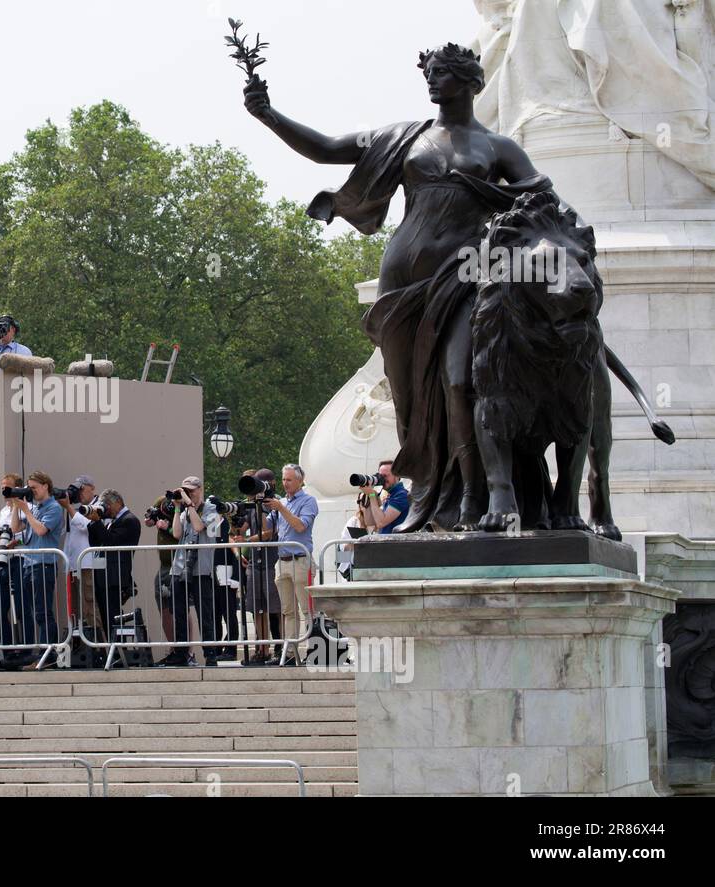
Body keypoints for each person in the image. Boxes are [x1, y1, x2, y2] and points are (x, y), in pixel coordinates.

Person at [244, 45, 555, 532]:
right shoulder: (404, 137)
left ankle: (474, 495)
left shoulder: (497, 148)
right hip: (400, 284)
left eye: (443, 75)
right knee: (408, 397)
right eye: (429, 74)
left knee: (459, 381)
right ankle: (428, 496)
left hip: (463, 277)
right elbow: (327, 148)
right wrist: (269, 116)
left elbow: (543, 198)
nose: (432, 82)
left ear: (471, 83)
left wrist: (495, 198)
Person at [263, 464, 320, 665]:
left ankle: (315, 652)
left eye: (289, 480)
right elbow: (266, 528)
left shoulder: (309, 501)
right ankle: (290, 655)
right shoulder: (281, 502)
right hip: (283, 562)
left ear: (300, 481)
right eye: (284, 479)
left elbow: (300, 525)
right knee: (288, 612)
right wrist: (259, 506)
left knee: (308, 610)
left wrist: (281, 508)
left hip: (301, 561)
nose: (285, 484)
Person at [165, 477, 223, 667]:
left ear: (200, 489)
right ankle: (181, 653)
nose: (189, 494)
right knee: (179, 613)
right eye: (186, 491)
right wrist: (176, 507)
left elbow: (199, 527)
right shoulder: (184, 510)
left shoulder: (212, 510)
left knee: (204, 614)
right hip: (180, 567)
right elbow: (176, 534)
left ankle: (210, 654)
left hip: (201, 569)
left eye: (192, 490)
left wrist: (189, 505)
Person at [8, 471, 65, 653]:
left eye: (34, 488)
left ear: (45, 486)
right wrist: (17, 506)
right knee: (36, 612)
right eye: (29, 488)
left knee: (43, 612)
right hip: (29, 564)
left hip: (44, 564)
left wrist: (26, 510)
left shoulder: (54, 508)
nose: (32, 491)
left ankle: (47, 654)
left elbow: (41, 530)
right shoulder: (34, 508)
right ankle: (43, 653)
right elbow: (15, 528)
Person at [83, 489, 142, 640]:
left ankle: (117, 650)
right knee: (106, 616)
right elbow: (96, 543)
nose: (106, 508)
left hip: (115, 576)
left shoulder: (130, 520)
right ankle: (112, 648)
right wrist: (93, 521)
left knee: (112, 616)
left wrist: (97, 522)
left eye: (107, 505)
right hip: (103, 575)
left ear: (117, 502)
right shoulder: (111, 522)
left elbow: (111, 541)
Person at [238, 470, 283, 663]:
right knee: (257, 607)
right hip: (255, 561)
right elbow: (239, 531)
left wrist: (248, 540)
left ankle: (281, 647)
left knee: (275, 608)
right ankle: (262, 649)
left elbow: (269, 532)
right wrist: (240, 551)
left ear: (271, 483)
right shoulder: (253, 504)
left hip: (272, 560)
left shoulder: (277, 503)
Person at [61, 475, 102, 634]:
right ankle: (81, 640)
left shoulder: (98, 505)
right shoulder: (75, 508)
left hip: (87, 563)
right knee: (75, 608)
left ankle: (98, 642)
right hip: (73, 563)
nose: (79, 494)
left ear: (91, 487)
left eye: (81, 489)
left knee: (90, 603)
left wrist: (69, 508)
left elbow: (89, 527)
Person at [0, 473, 25, 646]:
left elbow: (25, 532)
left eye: (7, 486)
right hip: (3, 560)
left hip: (19, 559)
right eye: (2, 486)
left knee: (21, 608)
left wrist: (15, 539)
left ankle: (25, 648)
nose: (4, 489)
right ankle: (8, 647)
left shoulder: (26, 507)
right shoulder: (3, 511)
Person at [144, 496, 178, 651]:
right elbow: (149, 520)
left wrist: (167, 527)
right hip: (164, 565)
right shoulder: (162, 501)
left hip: (179, 563)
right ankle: (173, 648)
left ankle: (186, 651)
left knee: (180, 607)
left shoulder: (184, 506)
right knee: (164, 606)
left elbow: (181, 532)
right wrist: (152, 520)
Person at [359, 459, 410, 534]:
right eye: (380, 476)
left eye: (385, 476)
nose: (382, 479)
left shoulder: (401, 495)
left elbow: (381, 523)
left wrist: (372, 495)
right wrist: (371, 494)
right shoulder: (390, 495)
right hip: (386, 544)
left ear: (396, 476)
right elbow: (370, 522)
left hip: (396, 544)